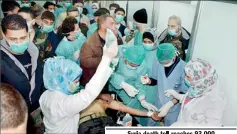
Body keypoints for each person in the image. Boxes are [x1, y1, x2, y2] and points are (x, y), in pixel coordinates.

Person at [39, 35, 118, 133]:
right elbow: (88, 93)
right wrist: (106, 59)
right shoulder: (63, 105)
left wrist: (109, 65)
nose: (78, 84)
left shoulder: (46, 95)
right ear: (63, 81)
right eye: (75, 81)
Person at [0, 14, 44, 133]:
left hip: (36, 111)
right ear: (4, 35)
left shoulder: (33, 51)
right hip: (14, 119)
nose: (19, 43)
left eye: (23, 38)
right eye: (13, 39)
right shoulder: (2, 60)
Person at [164, 58, 226, 126]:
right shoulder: (197, 87)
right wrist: (178, 96)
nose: (185, 78)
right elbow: (191, 101)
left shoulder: (214, 101)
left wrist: (187, 127)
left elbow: (213, 127)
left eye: (188, 77)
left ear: (199, 79)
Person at [109, 45, 158, 125]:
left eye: (137, 65)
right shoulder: (117, 55)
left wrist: (142, 100)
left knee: (129, 115)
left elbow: (139, 84)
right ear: (124, 58)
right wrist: (122, 84)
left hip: (129, 93)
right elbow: (109, 73)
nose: (134, 67)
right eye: (132, 64)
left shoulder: (142, 65)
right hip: (112, 89)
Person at [141, 43, 189, 126]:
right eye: (161, 62)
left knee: (170, 127)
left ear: (174, 56)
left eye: (166, 62)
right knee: (150, 124)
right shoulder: (157, 60)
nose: (164, 64)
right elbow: (155, 79)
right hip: (159, 101)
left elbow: (183, 92)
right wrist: (149, 81)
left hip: (174, 105)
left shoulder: (184, 68)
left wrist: (169, 104)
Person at [80, 14, 123, 89]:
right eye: (111, 23)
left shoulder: (111, 37)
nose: (115, 26)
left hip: (106, 77)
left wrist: (116, 36)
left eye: (115, 24)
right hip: (93, 80)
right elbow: (85, 62)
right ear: (103, 25)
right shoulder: (89, 42)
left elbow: (120, 47)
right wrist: (105, 59)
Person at [78, 98, 159, 133]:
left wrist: (149, 114)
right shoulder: (79, 97)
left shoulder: (103, 100)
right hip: (87, 125)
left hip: (106, 123)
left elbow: (124, 108)